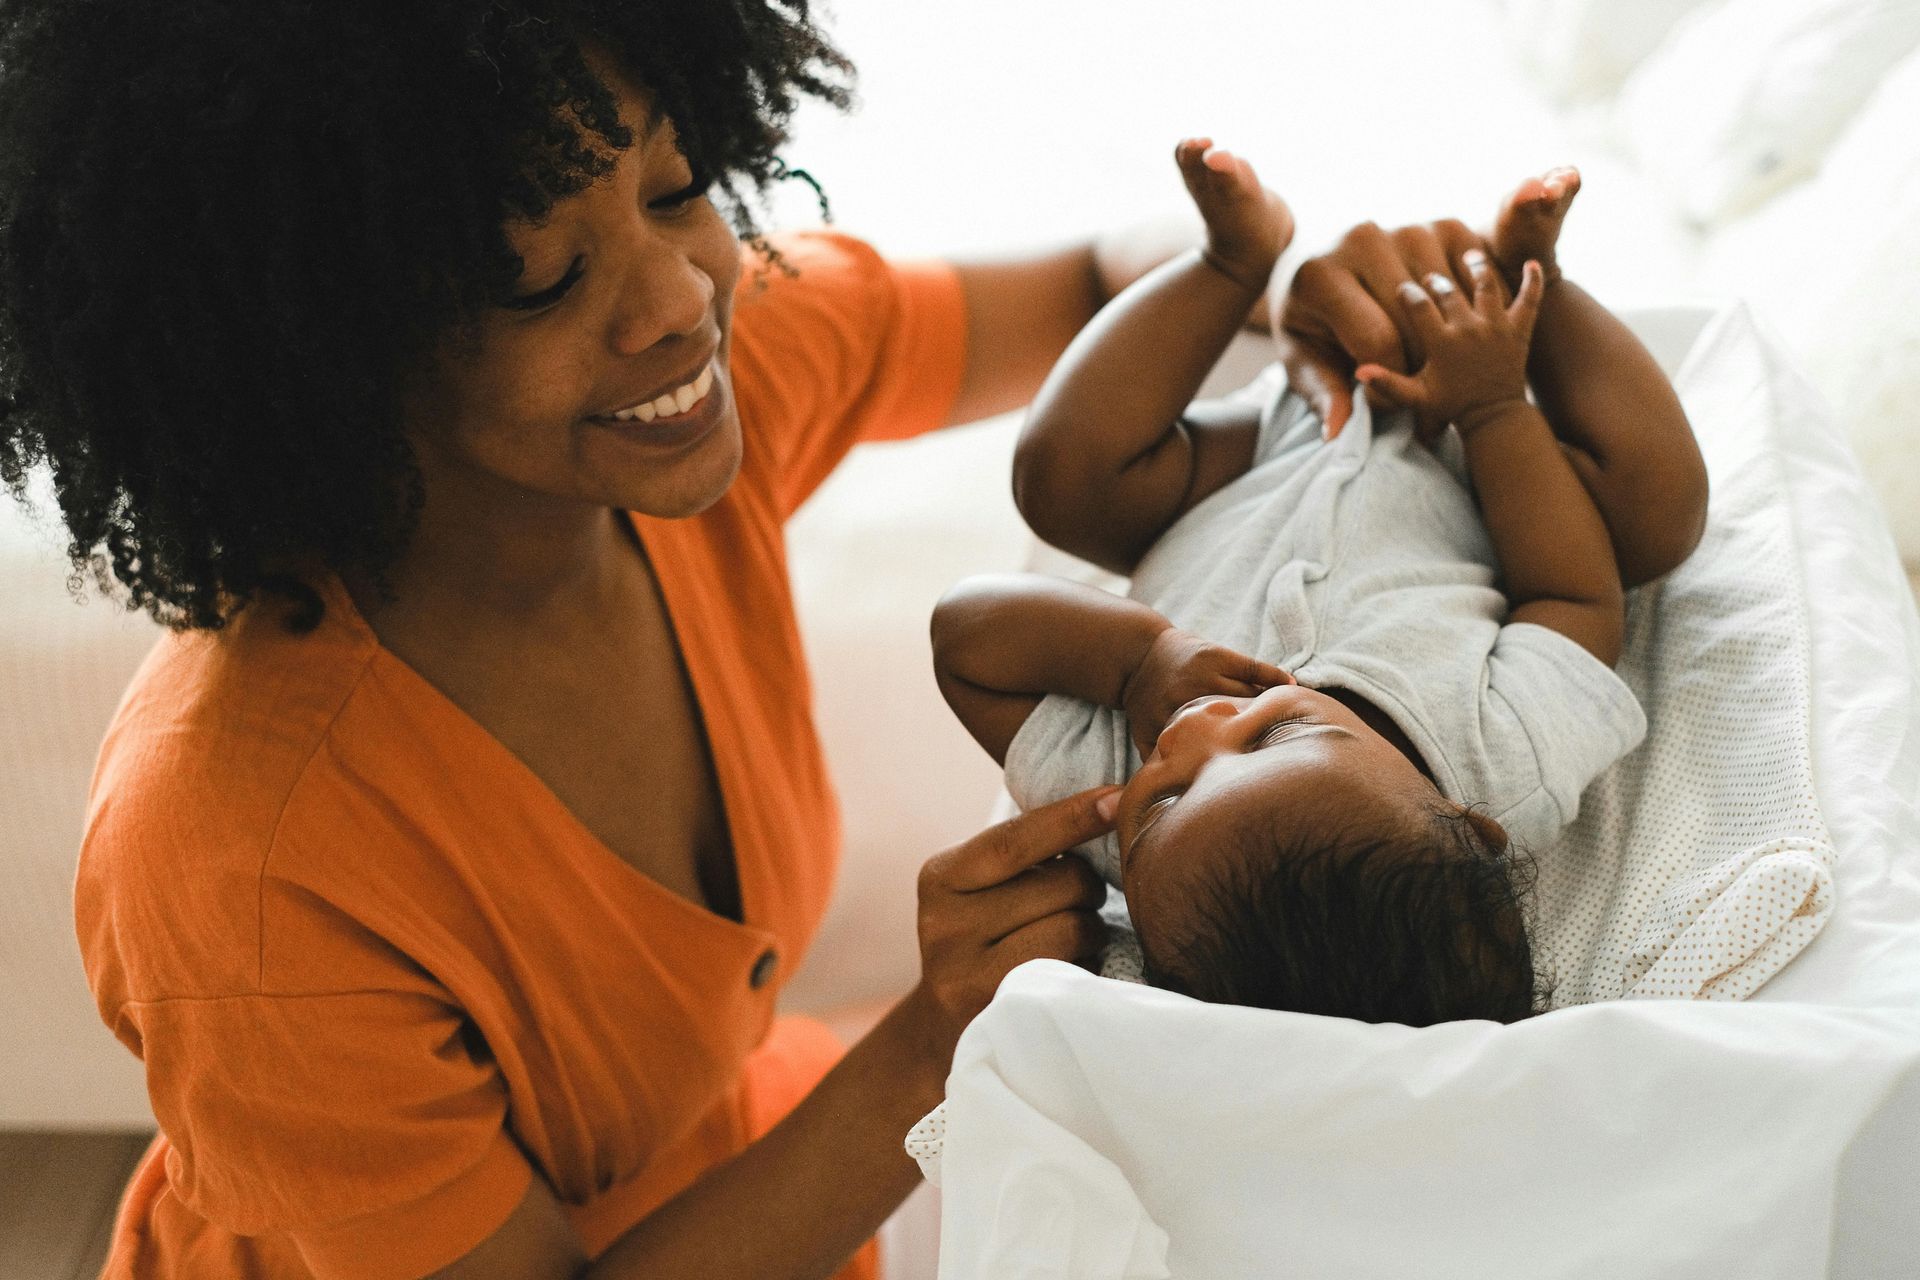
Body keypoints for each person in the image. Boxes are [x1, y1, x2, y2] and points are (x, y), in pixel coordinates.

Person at [0, 3, 1633, 1275]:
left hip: (772, 1173)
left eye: (674, 181)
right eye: (541, 279)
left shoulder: (708, 389)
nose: (681, 297)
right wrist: (927, 1042)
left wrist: (1272, 290)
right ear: (313, 351)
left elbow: (1087, 278)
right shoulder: (243, 864)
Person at [930, 141, 1709, 1020]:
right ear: (1470, 827)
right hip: (1478, 475)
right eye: (1269, 739)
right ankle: (1536, 282)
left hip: (1255, 464)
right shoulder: (1502, 764)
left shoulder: (1103, 789)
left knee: (1060, 479)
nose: (1194, 736)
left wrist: (1143, 657)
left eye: (1163, 804)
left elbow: (967, 633)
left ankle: (1229, 262)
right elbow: (1573, 596)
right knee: (1657, 513)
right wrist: (1494, 409)